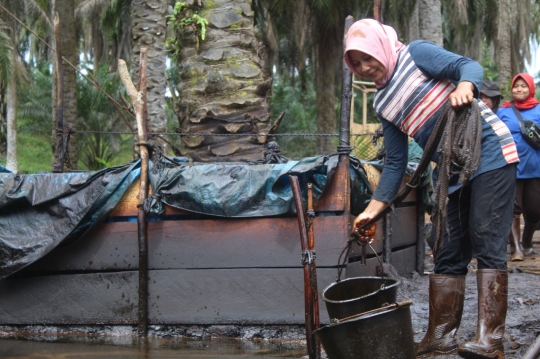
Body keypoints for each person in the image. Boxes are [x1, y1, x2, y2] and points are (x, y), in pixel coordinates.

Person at [345, 19, 519, 359]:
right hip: (451, 174)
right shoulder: (382, 102)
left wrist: (465, 85)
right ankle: (441, 337)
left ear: (381, 47)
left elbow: (467, 66)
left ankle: (490, 340)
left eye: (367, 58)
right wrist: (370, 211)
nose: (365, 67)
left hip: (490, 153)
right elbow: (395, 164)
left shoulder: (415, 54)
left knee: (485, 237)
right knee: (447, 249)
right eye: (356, 63)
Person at [479, 81, 524, 261]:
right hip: (483, 170)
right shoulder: (474, 116)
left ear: (495, 99)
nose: (484, 100)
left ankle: (517, 246)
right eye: (481, 96)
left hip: (509, 165)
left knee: (513, 208)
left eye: (488, 96)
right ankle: (507, 249)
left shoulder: (503, 115)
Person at [498, 73, 540, 259]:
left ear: (531, 88)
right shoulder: (504, 111)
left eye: (524, 86)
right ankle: (516, 248)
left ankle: (527, 241)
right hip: (510, 166)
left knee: (534, 210)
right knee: (512, 210)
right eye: (516, 86)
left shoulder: (539, 110)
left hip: (535, 168)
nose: (519, 89)